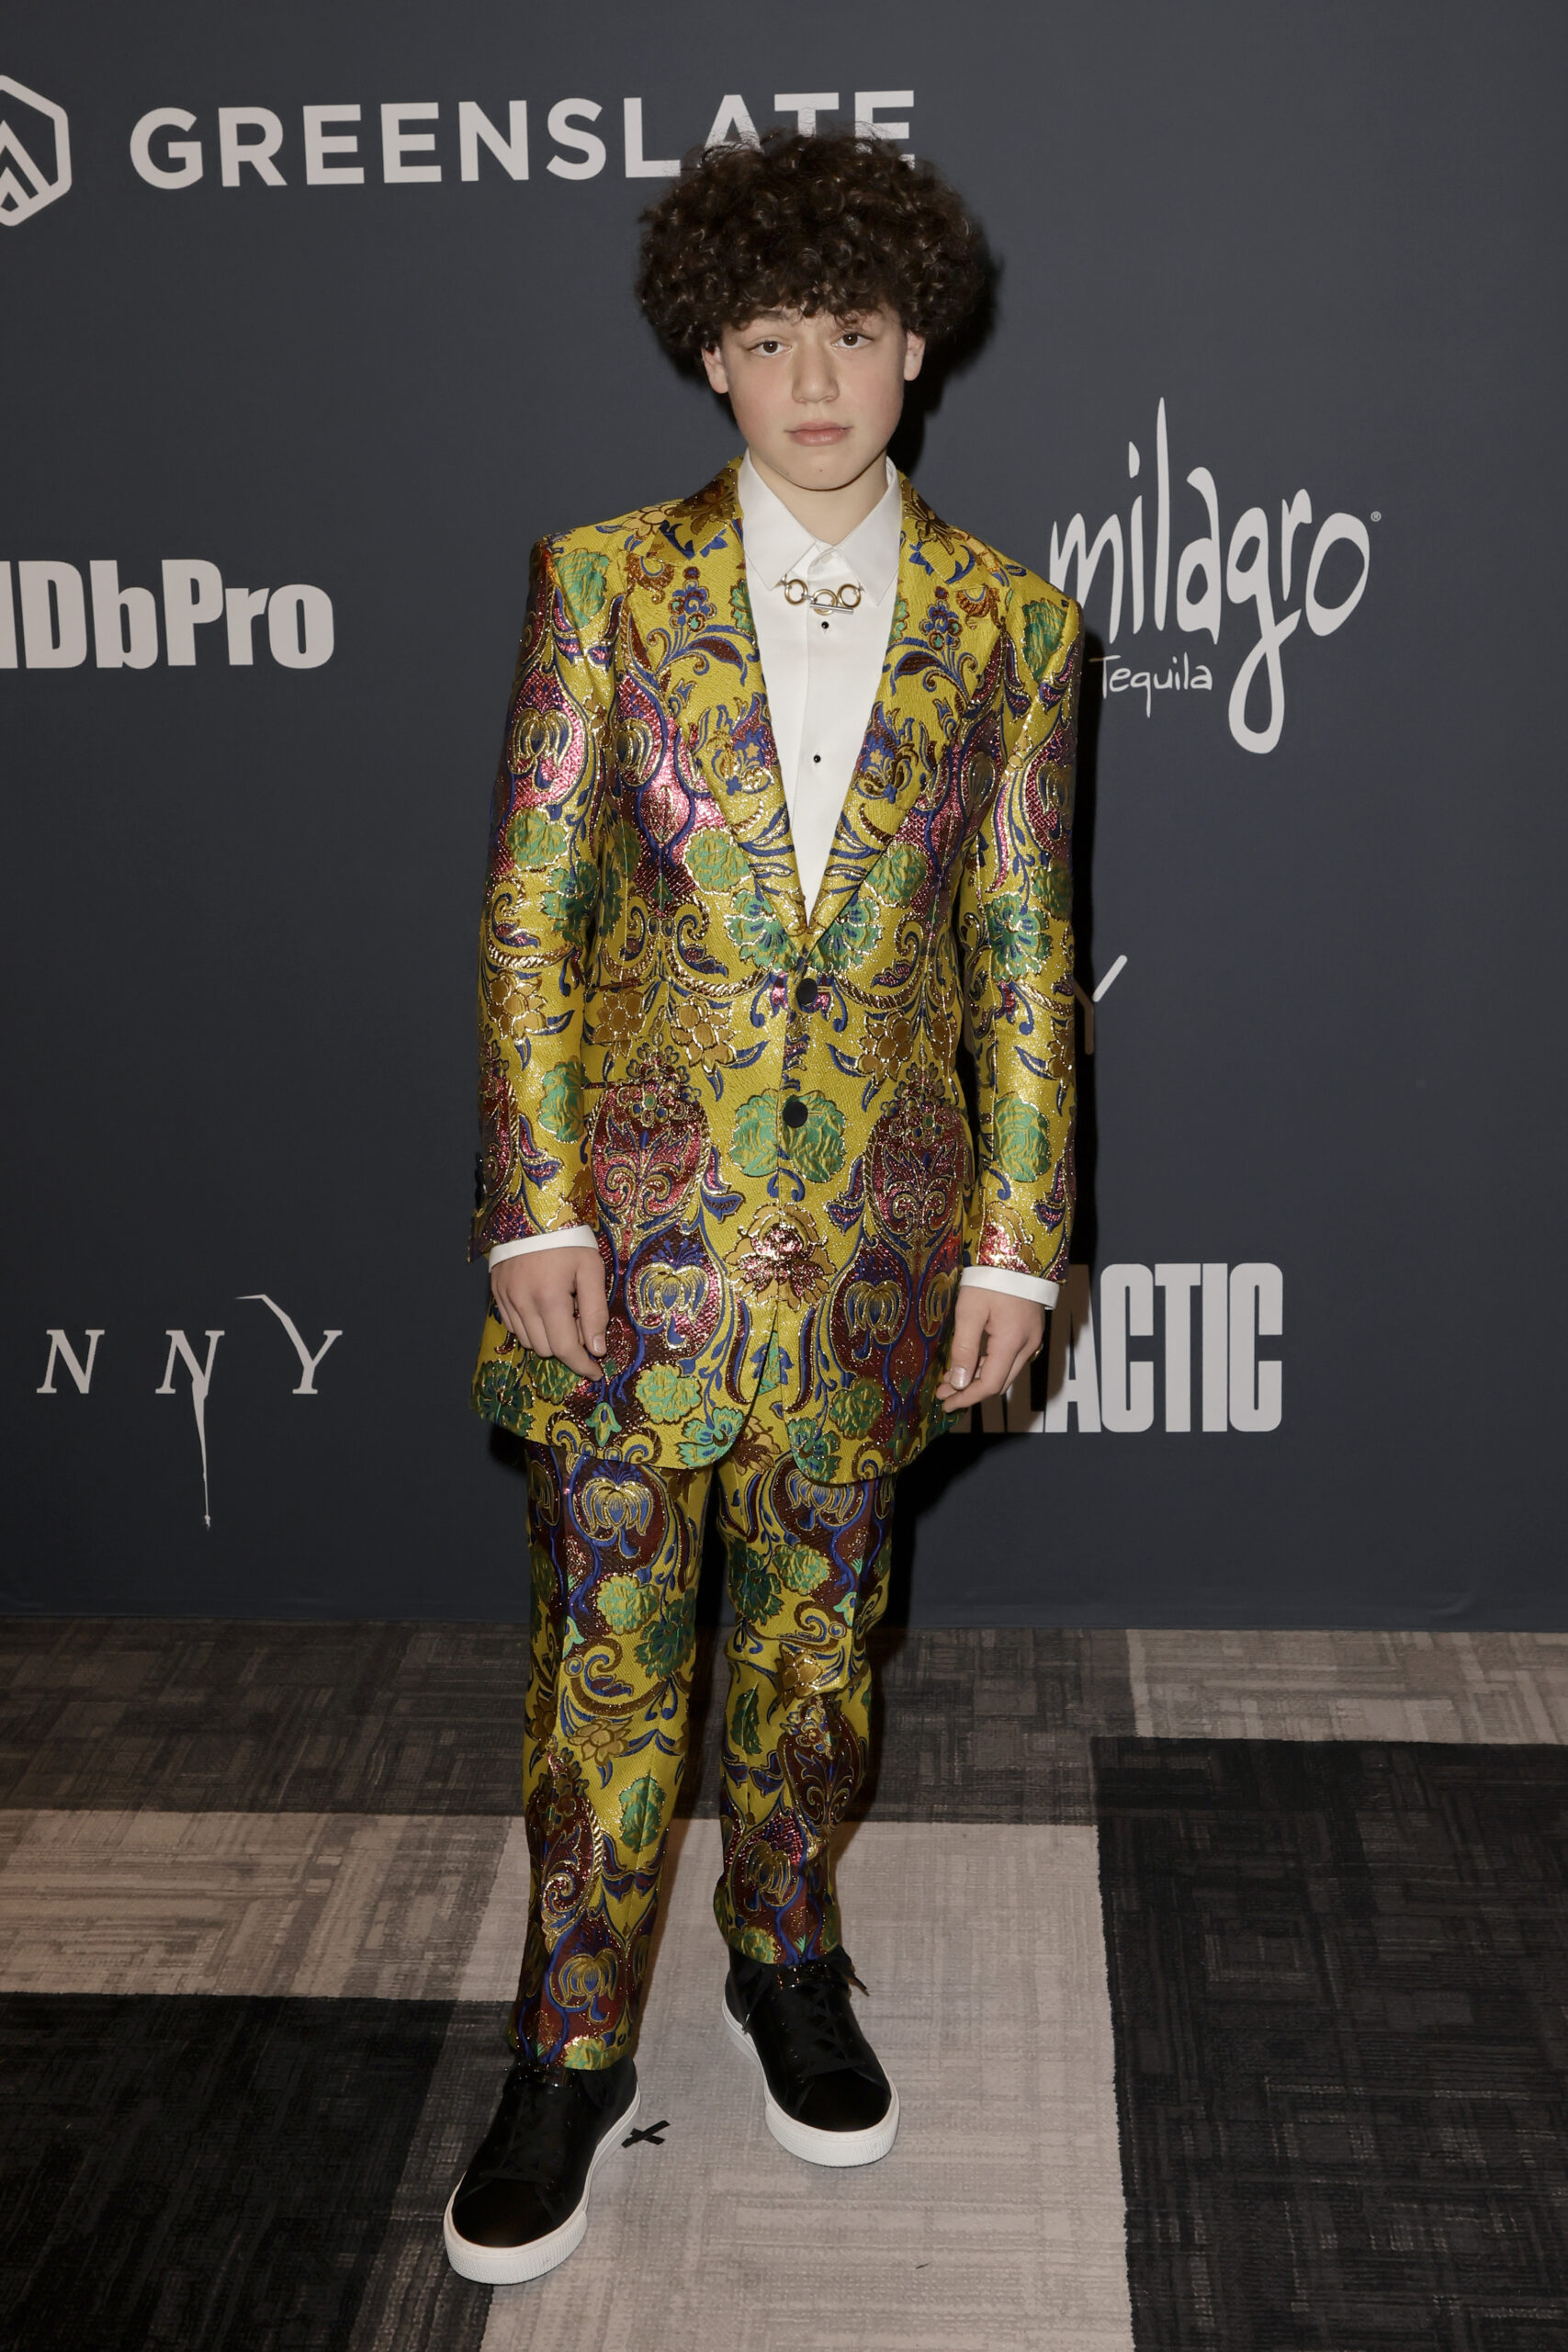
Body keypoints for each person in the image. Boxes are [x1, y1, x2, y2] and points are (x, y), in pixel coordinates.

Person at [445, 127, 1081, 2286]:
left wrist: (1012, 1239)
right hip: (626, 1255)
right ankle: (565, 2040)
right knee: (604, 1658)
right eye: (773, 335)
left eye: (857, 332)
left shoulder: (1013, 624)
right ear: (710, 353)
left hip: (880, 1252)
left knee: (819, 1646)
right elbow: (531, 913)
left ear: (918, 347)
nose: (817, 378)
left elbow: (1021, 955)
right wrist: (533, 1206)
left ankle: (783, 1946)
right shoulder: (602, 584)